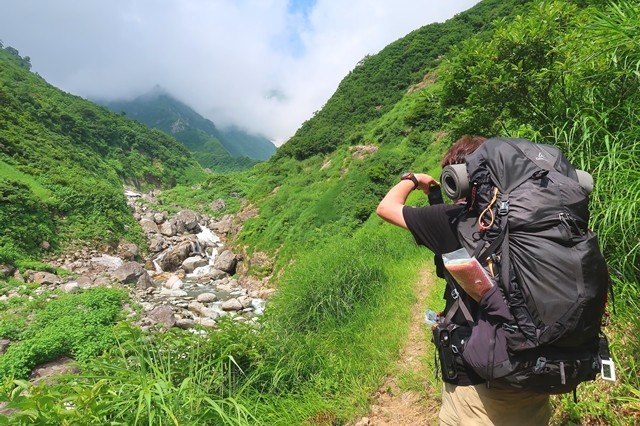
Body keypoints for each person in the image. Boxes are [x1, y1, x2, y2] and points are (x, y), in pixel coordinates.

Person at [376, 135, 551, 426]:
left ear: (457, 179)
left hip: (480, 382)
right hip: (541, 367)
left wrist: (413, 178)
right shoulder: (533, 218)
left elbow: (386, 207)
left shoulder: (453, 219)